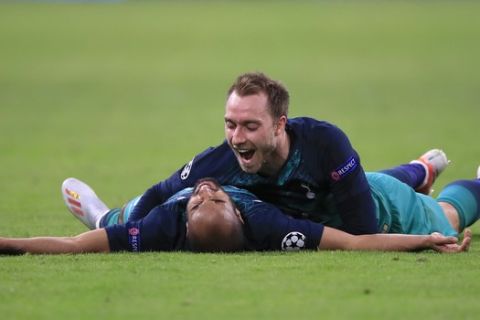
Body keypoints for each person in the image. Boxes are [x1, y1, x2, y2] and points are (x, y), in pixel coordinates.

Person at [126, 72, 449, 235]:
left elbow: (362, 236)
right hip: (347, 190)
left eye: (250, 126)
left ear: (280, 124)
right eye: (230, 124)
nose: (237, 138)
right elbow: (159, 193)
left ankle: (438, 176)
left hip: (387, 209)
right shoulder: (221, 160)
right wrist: (128, 237)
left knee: (449, 215)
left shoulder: (325, 145)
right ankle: (420, 169)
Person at [1, 163, 477, 255]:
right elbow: (355, 242)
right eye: (213, 196)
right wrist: (426, 241)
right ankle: (433, 175)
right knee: (447, 219)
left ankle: (109, 215)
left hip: (340, 188)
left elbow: (70, 246)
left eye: (201, 199)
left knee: (123, 224)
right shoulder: (270, 226)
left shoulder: (167, 221)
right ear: (239, 211)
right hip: (334, 193)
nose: (204, 191)